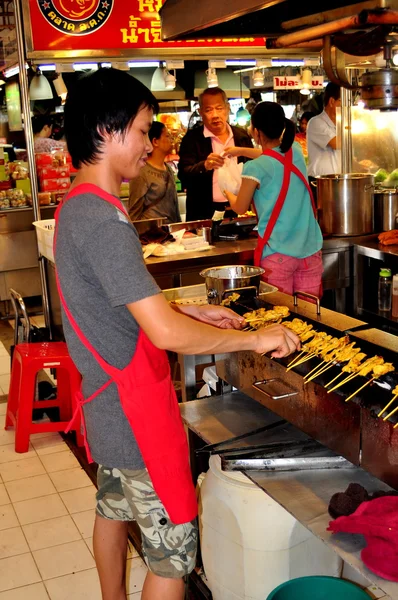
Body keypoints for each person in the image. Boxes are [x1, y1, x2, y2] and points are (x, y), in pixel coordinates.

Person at [57, 68, 300, 600]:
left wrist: (190, 308)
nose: (149, 145)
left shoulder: (77, 206)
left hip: (106, 402)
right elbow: (163, 334)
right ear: (107, 130)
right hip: (134, 411)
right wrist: (256, 339)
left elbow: (119, 305)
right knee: (174, 550)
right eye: (143, 131)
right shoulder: (103, 220)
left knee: (113, 508)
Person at [224, 101, 323, 298]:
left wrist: (226, 189)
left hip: (278, 254)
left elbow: (241, 207)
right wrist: (241, 151)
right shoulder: (294, 150)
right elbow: (272, 154)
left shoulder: (255, 168)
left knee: (278, 316)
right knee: (309, 317)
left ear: (255, 131)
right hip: (310, 251)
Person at [178, 87, 253, 221]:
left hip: (239, 210)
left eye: (219, 108)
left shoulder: (242, 137)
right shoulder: (192, 139)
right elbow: (183, 175)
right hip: (203, 212)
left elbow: (252, 171)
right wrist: (204, 166)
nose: (215, 115)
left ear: (227, 108)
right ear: (201, 112)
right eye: (208, 110)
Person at [128, 121, 181, 223]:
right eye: (167, 136)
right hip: (151, 234)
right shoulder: (141, 172)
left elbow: (175, 207)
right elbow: (134, 211)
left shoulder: (168, 169)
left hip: (171, 233)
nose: (171, 140)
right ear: (155, 141)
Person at [307, 83, 341, 180]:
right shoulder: (316, 122)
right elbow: (336, 143)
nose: (346, 106)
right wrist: (359, 137)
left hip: (337, 180)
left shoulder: (341, 124)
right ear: (331, 101)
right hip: (319, 181)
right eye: (342, 102)